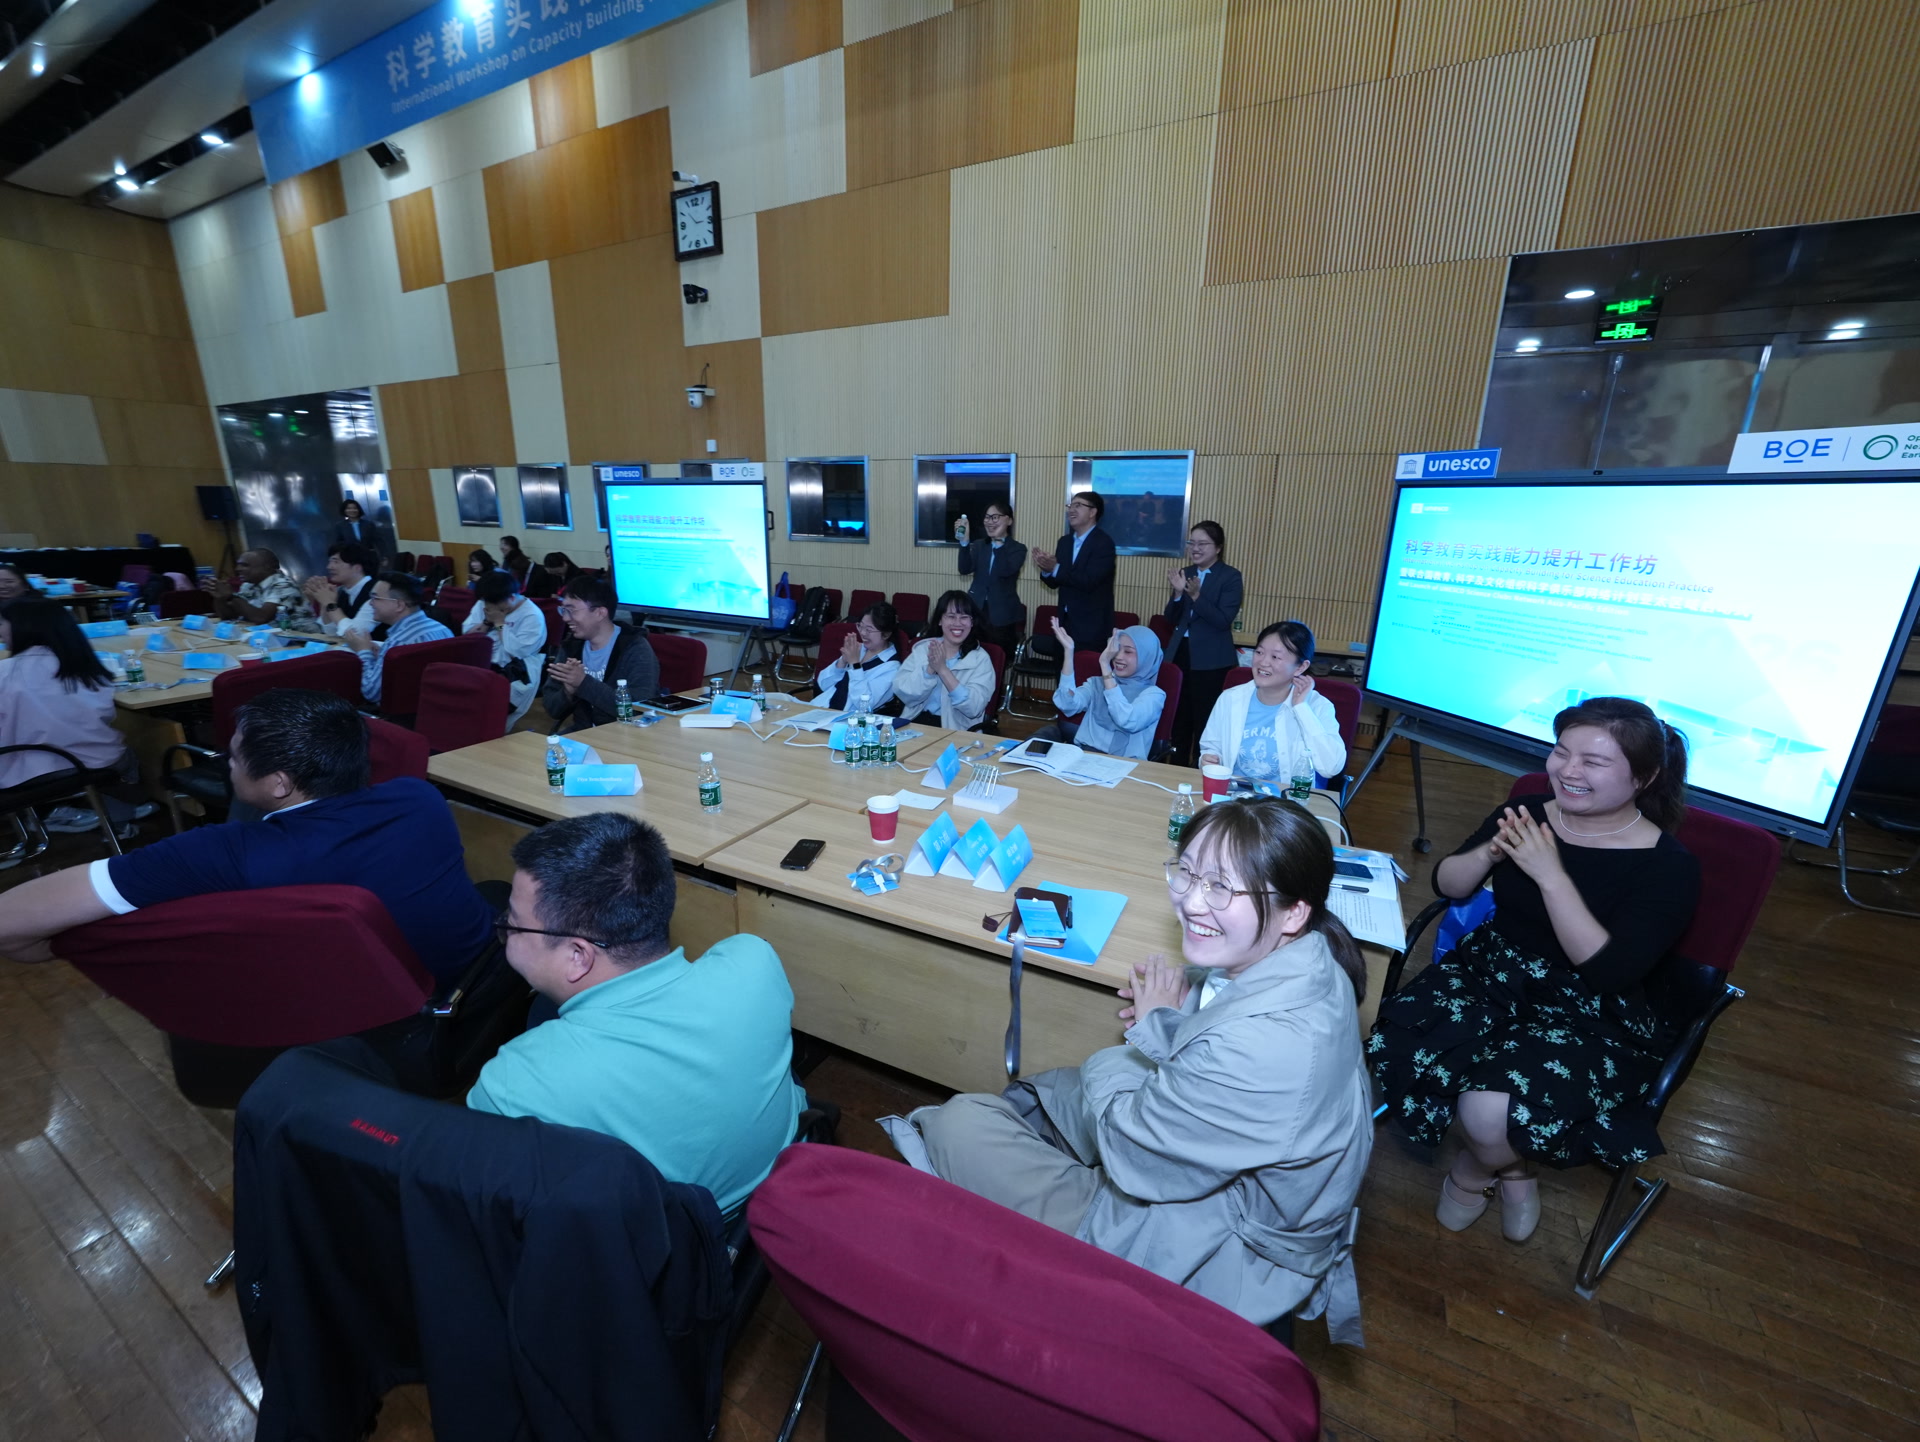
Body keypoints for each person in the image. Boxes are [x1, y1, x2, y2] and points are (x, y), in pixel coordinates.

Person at [899, 796, 1372, 1336]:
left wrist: (1149, 1028)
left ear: (1293, 912)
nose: (1191, 901)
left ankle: (1011, 1287)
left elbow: (1132, 1154)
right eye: (1187, 872)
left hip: (1204, 1243)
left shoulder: (1265, 1047)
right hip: (1207, 1178)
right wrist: (1179, 1011)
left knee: (958, 1122)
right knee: (1041, 1095)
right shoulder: (1315, 960)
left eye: (1221, 887)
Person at [1368, 697, 1701, 1244]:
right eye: (1561, 752)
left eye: (1593, 762)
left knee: (1486, 1113)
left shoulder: (1669, 866)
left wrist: (1550, 874)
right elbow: (1448, 885)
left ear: (1644, 777)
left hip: (1589, 1006)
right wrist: (1489, 854)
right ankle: (1515, 1171)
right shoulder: (1529, 811)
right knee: (1399, 1044)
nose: (1568, 770)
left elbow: (1608, 971)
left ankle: (1473, 1170)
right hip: (1491, 973)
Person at [0, 689, 497, 982]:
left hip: (377, 1010)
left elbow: (9, 922)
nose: (227, 764)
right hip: (475, 977)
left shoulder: (223, 853)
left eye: (234, 757)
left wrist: (82, 946)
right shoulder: (420, 798)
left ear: (279, 783)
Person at [467, 812, 805, 1214]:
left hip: (689, 1238)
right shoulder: (753, 960)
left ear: (577, 956)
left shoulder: (510, 1087)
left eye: (514, 924)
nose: (505, 928)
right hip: (787, 1174)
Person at [0, 601, 144, 841]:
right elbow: (106, 715)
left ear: (22, 627)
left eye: (2, 624)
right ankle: (119, 822)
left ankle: (54, 814)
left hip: (23, 773)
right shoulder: (84, 665)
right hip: (94, 764)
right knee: (127, 754)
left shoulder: (5, 671)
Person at [1199, 622, 1345, 789]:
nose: (1263, 662)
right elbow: (1211, 747)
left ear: (1300, 667)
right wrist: (1208, 759)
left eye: (1275, 657)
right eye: (1259, 652)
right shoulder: (1230, 698)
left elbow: (1331, 768)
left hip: (1288, 800)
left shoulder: (1317, 706)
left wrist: (1301, 708)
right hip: (1233, 795)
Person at [1164, 522, 1244, 766]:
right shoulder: (1186, 572)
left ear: (1218, 548)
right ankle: (1175, 768)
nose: (1195, 548)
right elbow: (1170, 618)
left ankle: (1202, 771)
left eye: (1202, 544)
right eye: (1192, 543)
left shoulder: (1230, 577)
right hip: (1180, 654)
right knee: (1178, 719)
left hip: (1211, 661)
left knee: (1205, 720)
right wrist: (1179, 594)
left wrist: (1196, 596)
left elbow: (1222, 620)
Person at [1032, 619, 1165, 759]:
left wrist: (1105, 665)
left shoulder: (1154, 695)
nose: (1118, 657)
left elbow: (1126, 720)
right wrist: (1069, 652)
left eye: (1128, 652)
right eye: (1117, 649)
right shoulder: (1097, 684)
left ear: (1146, 657)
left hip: (1125, 764)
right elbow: (1067, 704)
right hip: (1085, 757)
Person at [540, 576, 659, 732]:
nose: (565, 618)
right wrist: (568, 692)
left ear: (600, 613)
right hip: (584, 732)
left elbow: (639, 708)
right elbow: (552, 710)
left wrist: (583, 682)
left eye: (571, 610)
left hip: (628, 734)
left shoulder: (635, 647)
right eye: (563, 610)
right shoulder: (571, 647)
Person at [892, 590, 998, 731]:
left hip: (955, 730)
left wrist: (943, 670)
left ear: (972, 622)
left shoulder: (980, 659)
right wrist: (930, 669)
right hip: (915, 722)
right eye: (951, 616)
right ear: (940, 620)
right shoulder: (923, 649)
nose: (957, 623)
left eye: (964, 617)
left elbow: (973, 708)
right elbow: (904, 694)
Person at [343, 571, 452, 707]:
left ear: (399, 605)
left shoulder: (398, 642)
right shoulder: (442, 629)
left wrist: (363, 651)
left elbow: (371, 693)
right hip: (432, 708)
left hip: (400, 714)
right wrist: (381, 656)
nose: (370, 603)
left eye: (375, 598)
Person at [1031, 491, 1116, 658]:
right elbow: (1056, 582)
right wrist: (1046, 569)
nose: (1071, 510)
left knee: (1085, 672)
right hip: (1064, 624)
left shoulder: (1104, 543)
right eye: (1070, 506)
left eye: (1078, 506)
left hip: (1091, 627)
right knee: (1061, 670)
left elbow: (1089, 581)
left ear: (1092, 512)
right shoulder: (1065, 542)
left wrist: (1055, 568)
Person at [462, 570, 547, 727]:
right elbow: (467, 636)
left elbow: (517, 652)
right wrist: (487, 622)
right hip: (483, 663)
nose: (488, 606)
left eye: (496, 604)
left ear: (512, 598)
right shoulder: (486, 602)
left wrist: (499, 623)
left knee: (491, 716)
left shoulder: (532, 615)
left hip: (514, 670)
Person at [955, 502, 1027, 653]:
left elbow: (1005, 571)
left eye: (995, 517)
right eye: (987, 517)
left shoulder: (1018, 549)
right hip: (976, 611)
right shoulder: (980, 545)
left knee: (998, 658)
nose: (989, 522)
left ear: (1009, 520)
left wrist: (999, 543)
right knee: (972, 655)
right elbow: (964, 569)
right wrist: (964, 542)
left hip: (1002, 615)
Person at [202, 549, 319, 633]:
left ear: (267, 567)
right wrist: (220, 598)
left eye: (245, 565)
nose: (238, 569)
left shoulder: (283, 585)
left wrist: (231, 597)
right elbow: (229, 616)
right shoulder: (248, 585)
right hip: (271, 637)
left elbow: (261, 618)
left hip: (302, 638)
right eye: (238, 565)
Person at [814, 601, 900, 712]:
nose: (863, 633)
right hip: (821, 707)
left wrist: (855, 665)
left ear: (886, 634)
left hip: (848, 718)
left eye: (869, 629)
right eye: (860, 626)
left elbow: (865, 705)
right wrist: (843, 661)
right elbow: (823, 684)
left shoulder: (892, 668)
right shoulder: (858, 649)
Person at [301, 543, 378, 637]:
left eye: (336, 562)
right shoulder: (342, 592)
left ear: (357, 568)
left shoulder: (376, 592)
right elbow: (331, 632)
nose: (329, 567)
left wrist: (329, 603)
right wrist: (324, 601)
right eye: (330, 562)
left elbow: (356, 634)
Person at [331, 498, 387, 567]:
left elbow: (379, 541)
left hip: (368, 558)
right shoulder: (340, 526)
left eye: (355, 508)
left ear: (359, 509)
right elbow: (338, 544)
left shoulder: (368, 524)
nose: (352, 510)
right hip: (350, 559)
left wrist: (384, 556)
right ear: (344, 511)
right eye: (349, 508)